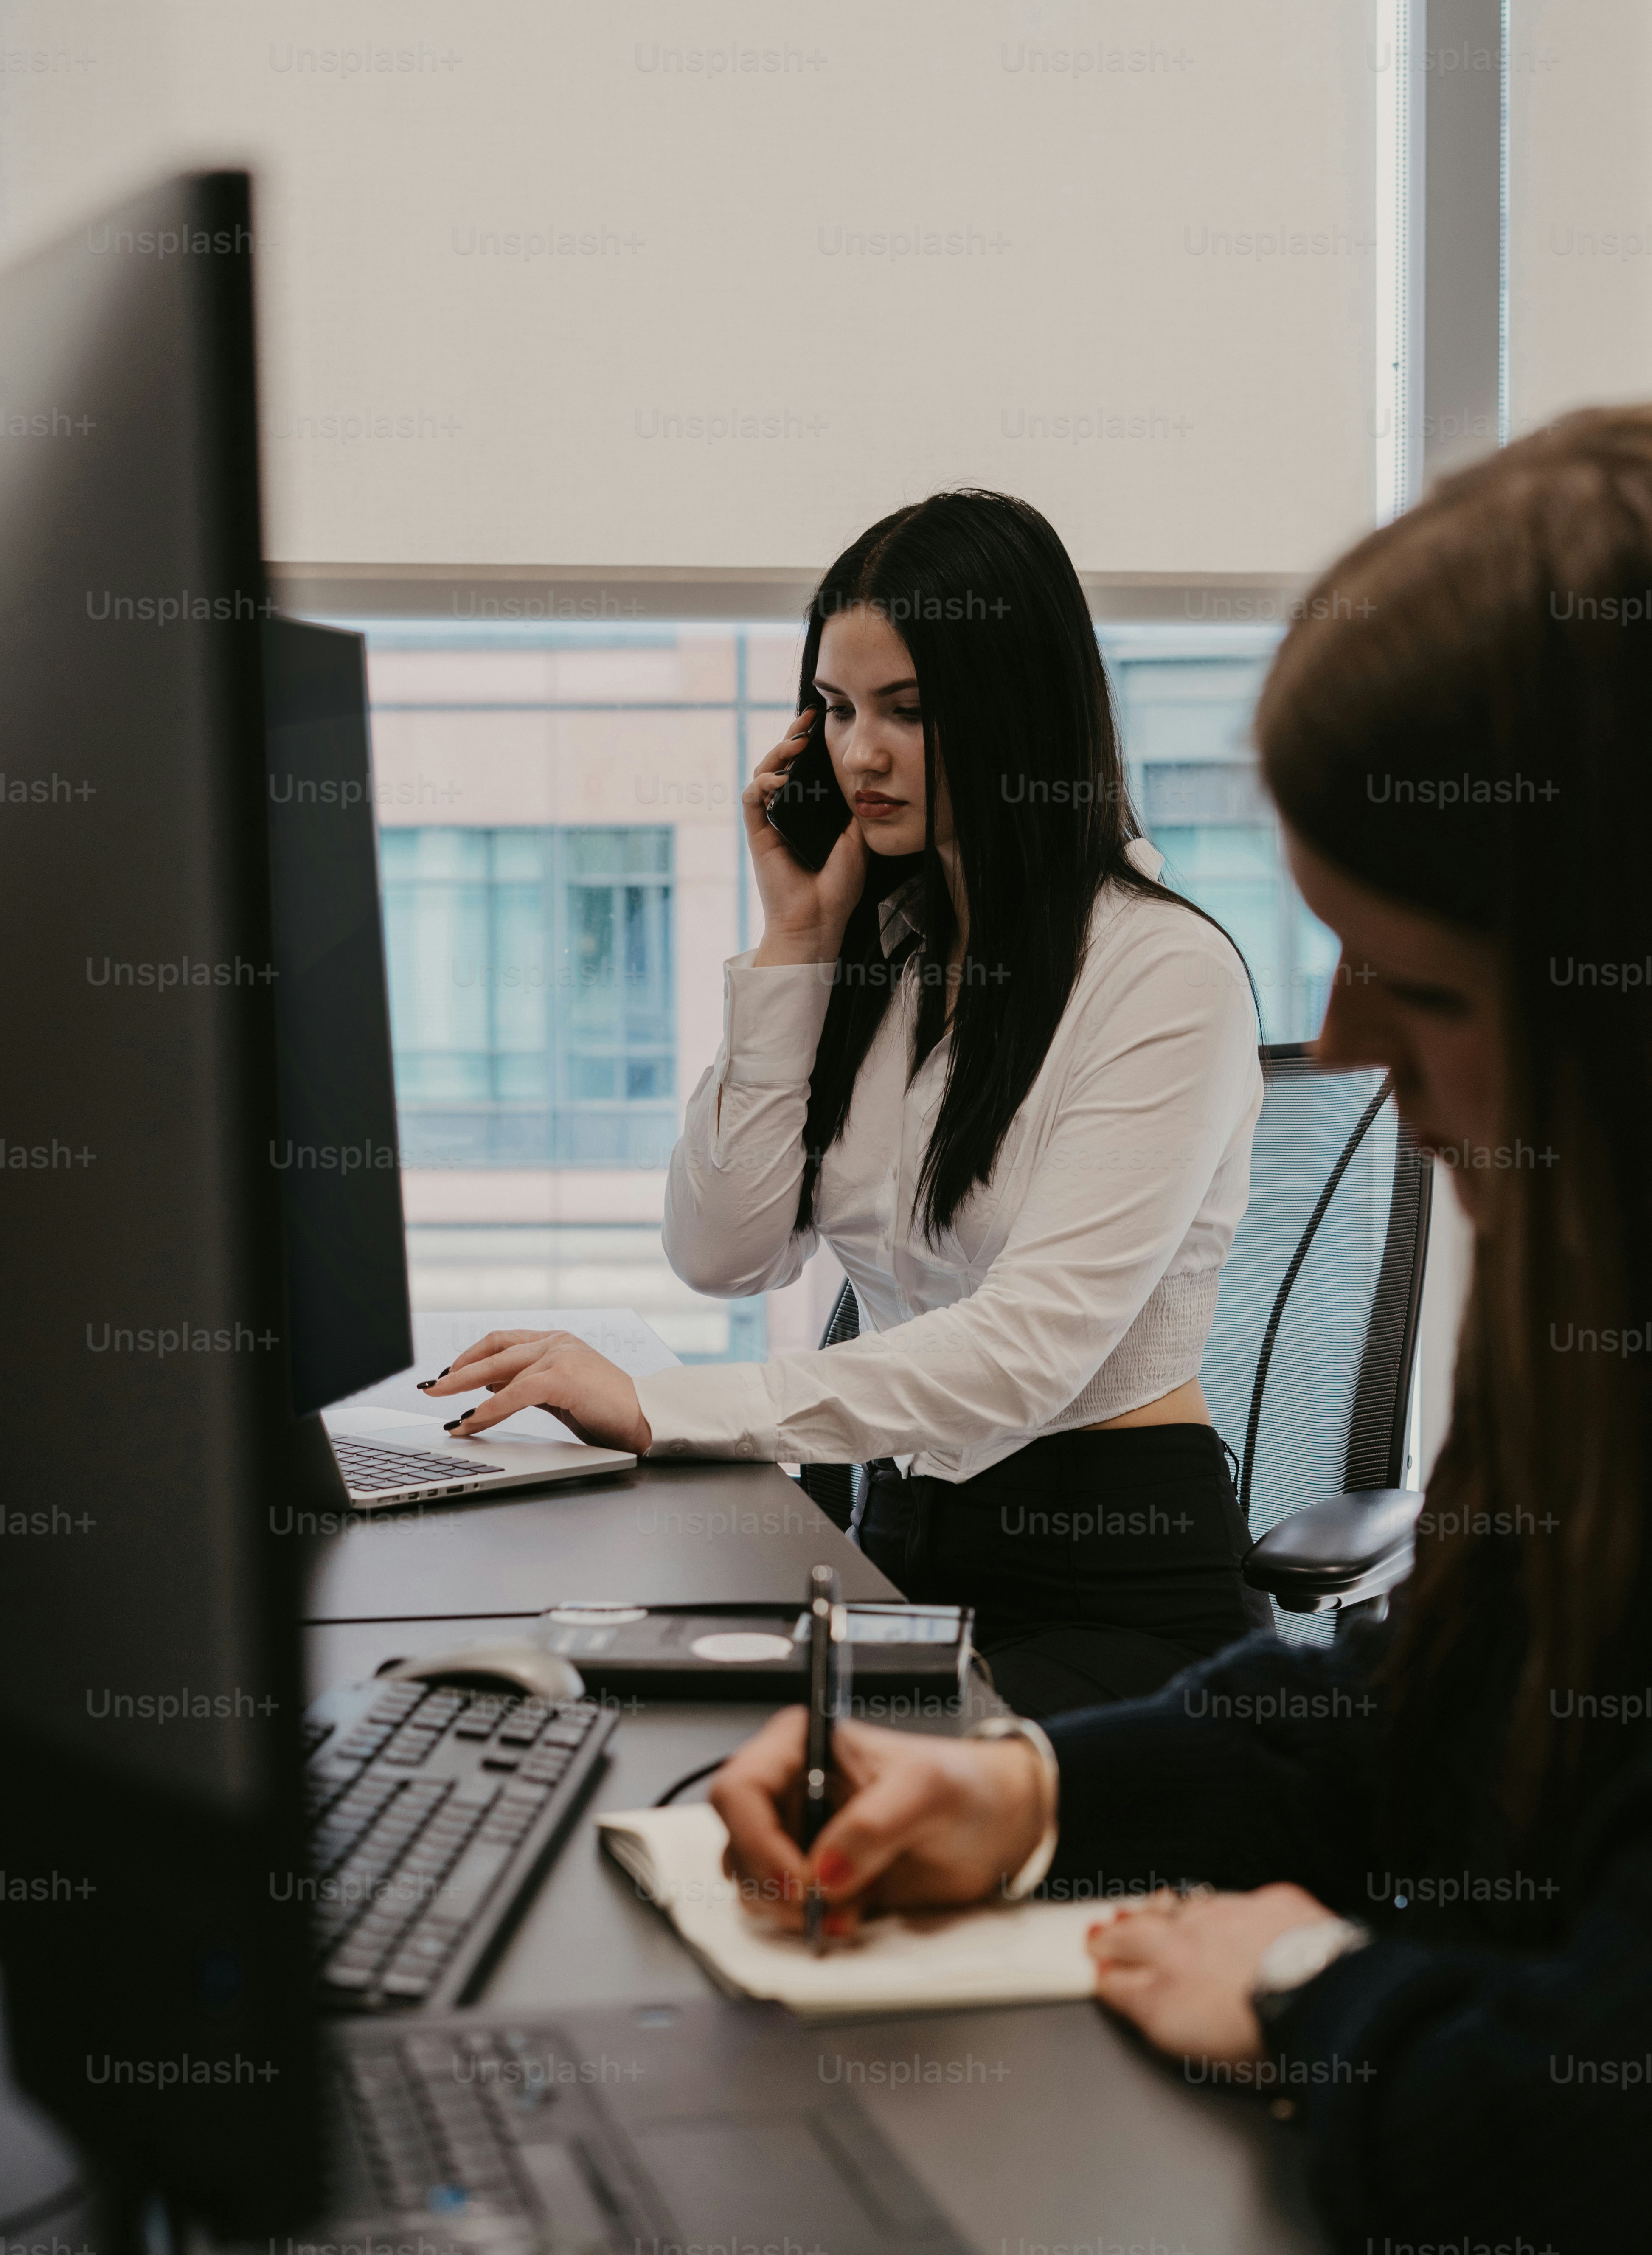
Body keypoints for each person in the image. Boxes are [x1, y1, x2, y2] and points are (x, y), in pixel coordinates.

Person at [696, 409, 1652, 2246]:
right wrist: (1028, 1790)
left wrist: (1304, 1985)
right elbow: (1413, 1694)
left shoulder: (1152, 973)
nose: (1355, 1058)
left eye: (1429, 984)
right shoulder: (1581, 1346)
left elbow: (1587, 2107)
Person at [421, 489, 1270, 1715]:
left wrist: (664, 1406)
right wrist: (797, 945)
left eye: (908, 711)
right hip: (891, 1556)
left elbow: (1026, 1352)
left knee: (777, 1815)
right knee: (602, 1716)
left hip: (1108, 1595)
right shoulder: (890, 954)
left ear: (1018, 707)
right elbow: (723, 1252)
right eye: (833, 708)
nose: (857, 753)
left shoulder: (1161, 975)